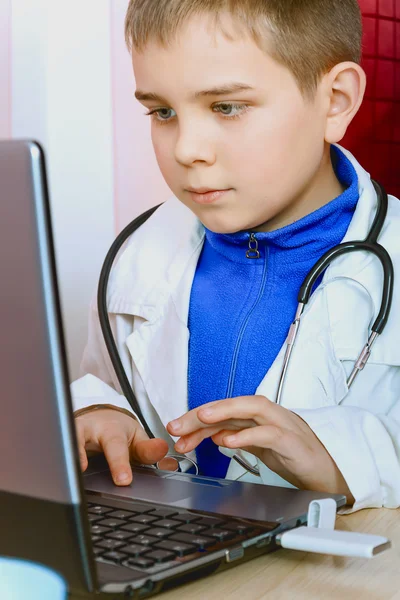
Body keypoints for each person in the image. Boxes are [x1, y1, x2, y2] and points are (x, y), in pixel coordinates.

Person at [71, 0, 400, 513]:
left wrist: (344, 460)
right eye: (163, 112)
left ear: (334, 100)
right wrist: (98, 412)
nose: (186, 149)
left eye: (226, 107)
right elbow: (111, 387)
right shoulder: (134, 256)